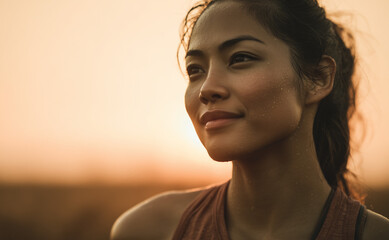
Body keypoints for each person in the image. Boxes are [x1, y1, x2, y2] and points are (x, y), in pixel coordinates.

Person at [110, 0, 389, 239]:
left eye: (240, 58)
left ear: (318, 78)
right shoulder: (150, 230)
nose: (207, 88)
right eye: (195, 69)